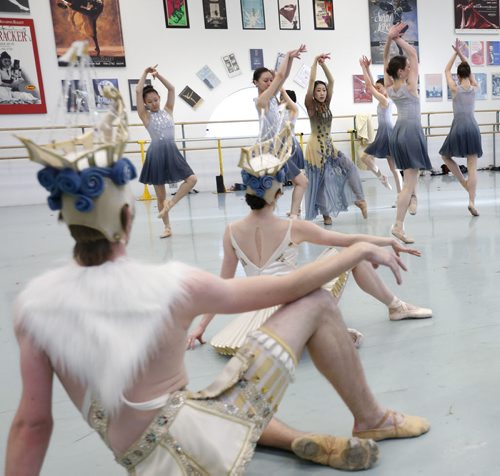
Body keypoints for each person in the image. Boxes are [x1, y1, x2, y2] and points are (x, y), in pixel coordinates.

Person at [7, 99, 430, 475]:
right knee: (317, 302)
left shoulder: (35, 308)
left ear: (65, 221)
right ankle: (371, 416)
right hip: (198, 450)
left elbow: (33, 424)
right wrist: (356, 250)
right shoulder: (171, 285)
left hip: (150, 461)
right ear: (129, 218)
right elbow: (289, 289)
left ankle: (291, 440)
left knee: (200, 403)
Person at [186, 161, 432, 355]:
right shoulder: (292, 226)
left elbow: (223, 283)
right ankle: (395, 306)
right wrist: (388, 240)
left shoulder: (231, 231)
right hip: (294, 298)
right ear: (279, 192)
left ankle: (310, 330)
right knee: (350, 256)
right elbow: (347, 240)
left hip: (257, 310)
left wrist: (201, 326)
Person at [304, 53, 367, 225]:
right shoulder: (311, 106)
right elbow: (310, 82)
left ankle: (360, 199)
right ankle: (325, 215)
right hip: (315, 148)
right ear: (313, 93)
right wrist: (314, 62)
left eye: (323, 90)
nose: (322, 92)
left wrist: (323, 64)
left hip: (329, 145)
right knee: (320, 184)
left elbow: (331, 81)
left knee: (350, 167)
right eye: (318, 90)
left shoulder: (326, 104)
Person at [384, 23, 432, 244]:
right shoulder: (409, 85)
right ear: (402, 71)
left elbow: (387, 62)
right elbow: (413, 54)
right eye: (407, 67)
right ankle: (398, 225)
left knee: (411, 176)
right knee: (408, 182)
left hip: (399, 131)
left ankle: (412, 198)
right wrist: (396, 39)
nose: (411, 68)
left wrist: (389, 41)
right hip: (411, 131)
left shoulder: (390, 85)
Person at [136, 65, 197, 238]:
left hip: (172, 152)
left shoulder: (168, 110)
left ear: (159, 98)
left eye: (156, 99)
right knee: (160, 194)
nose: (154, 103)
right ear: (146, 104)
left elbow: (171, 88)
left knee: (192, 179)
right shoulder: (145, 116)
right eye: (150, 102)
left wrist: (157, 75)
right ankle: (167, 227)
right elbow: (138, 90)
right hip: (156, 155)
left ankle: (171, 203)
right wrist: (144, 72)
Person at [252, 47, 308, 218]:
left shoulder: (273, 99)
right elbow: (281, 77)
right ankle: (264, 220)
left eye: (271, 81)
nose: (270, 83)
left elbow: (282, 78)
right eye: (265, 81)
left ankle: (293, 216)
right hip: (268, 151)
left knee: (301, 182)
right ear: (255, 82)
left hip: (279, 150)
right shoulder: (262, 100)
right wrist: (287, 56)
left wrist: (290, 60)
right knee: (270, 192)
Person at [440, 39, 482, 217]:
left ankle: (464, 183)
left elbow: (446, 70)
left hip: (458, 127)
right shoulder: (474, 87)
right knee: (472, 166)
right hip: (472, 127)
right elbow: (469, 72)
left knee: (445, 156)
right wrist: (462, 55)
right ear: (469, 75)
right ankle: (472, 201)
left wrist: (455, 53)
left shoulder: (454, 88)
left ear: (458, 76)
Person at [359, 55, 402, 198]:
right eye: (377, 88)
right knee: (365, 157)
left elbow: (369, 86)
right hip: (382, 133)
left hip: (388, 133)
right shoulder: (382, 99)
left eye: (379, 87)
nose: (377, 90)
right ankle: (381, 176)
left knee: (394, 168)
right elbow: (372, 84)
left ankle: (400, 195)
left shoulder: (385, 100)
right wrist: (368, 69)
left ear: (385, 89)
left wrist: (363, 68)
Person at [279, 88, 308, 218]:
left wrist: (280, 87)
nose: (280, 99)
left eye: (283, 97)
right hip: (284, 145)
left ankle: (295, 211)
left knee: (298, 181)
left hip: (290, 146)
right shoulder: (281, 111)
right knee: (297, 181)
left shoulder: (293, 110)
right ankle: (296, 210)